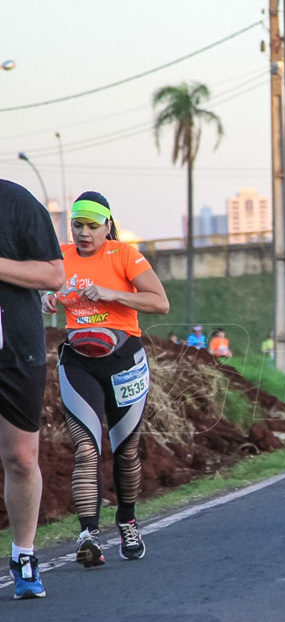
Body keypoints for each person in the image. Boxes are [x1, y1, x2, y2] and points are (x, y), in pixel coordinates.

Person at [41, 191, 170, 567]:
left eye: (92, 226)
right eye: (77, 225)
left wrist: (111, 294)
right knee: (85, 448)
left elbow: (160, 302)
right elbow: (45, 290)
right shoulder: (60, 256)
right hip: (78, 362)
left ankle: (127, 519)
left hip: (124, 361)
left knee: (126, 450)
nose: (84, 233)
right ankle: (88, 537)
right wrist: (49, 298)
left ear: (108, 225)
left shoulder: (124, 256)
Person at [0, 179, 65, 599]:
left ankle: (24, 553)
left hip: (16, 350)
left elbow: (54, 274)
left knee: (21, 458)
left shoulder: (16, 201)